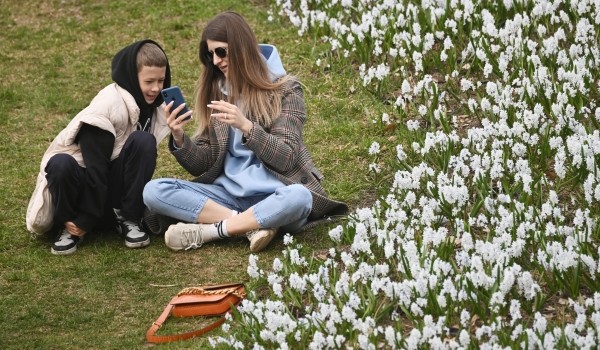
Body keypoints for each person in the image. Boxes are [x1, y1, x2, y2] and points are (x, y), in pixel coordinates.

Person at [142, 12, 348, 253]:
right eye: (210, 55)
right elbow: (204, 164)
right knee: (154, 191)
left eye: (221, 51)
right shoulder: (218, 91)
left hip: (277, 194)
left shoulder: (287, 89)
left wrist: (247, 127)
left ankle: (210, 231)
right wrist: (179, 137)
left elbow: (287, 156)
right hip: (228, 196)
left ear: (241, 46)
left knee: (301, 197)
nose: (216, 61)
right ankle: (251, 225)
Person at [26, 39, 172, 255]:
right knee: (61, 164)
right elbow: (96, 168)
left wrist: (177, 132)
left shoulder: (154, 106)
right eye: (149, 81)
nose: (156, 88)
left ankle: (129, 217)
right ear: (132, 76)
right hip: (81, 188)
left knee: (143, 141)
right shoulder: (107, 107)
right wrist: (85, 218)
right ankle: (70, 226)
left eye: (161, 80)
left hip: (107, 191)